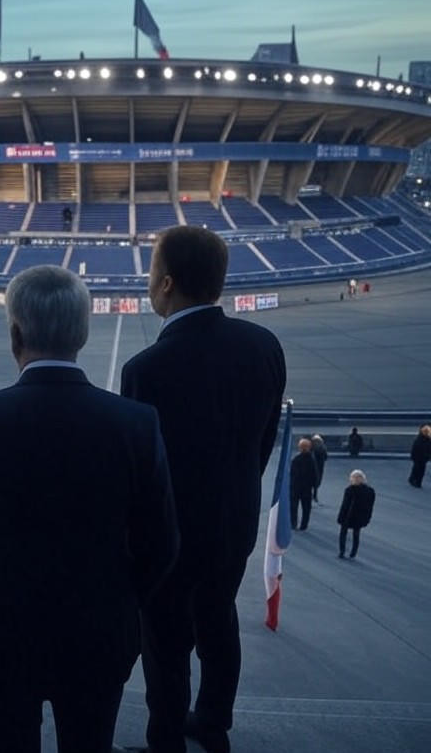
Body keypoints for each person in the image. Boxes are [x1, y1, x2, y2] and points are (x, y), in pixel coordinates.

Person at [0, 265, 178, 753]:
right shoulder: (136, 424)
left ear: (15, 332)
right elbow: (162, 544)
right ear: (83, 333)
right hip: (97, 637)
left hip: (1, 638)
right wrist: (120, 604)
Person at [120, 225, 286, 753]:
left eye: (150, 270)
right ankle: (213, 724)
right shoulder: (264, 346)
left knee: (164, 644)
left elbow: (142, 472)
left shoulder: (146, 369)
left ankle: (165, 739)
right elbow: (261, 443)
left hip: (171, 535)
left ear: (166, 284)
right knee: (219, 620)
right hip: (234, 520)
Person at [337, 469, 376, 558]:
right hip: (359, 517)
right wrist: (367, 517)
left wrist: (340, 517)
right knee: (356, 534)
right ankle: (353, 552)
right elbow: (370, 506)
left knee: (343, 533)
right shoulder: (369, 491)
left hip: (348, 516)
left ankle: (342, 551)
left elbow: (345, 505)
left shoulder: (349, 490)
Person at [290, 438, 318, 531]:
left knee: (294, 506)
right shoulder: (311, 460)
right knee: (306, 508)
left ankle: (293, 523)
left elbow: (292, 474)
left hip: (296, 487)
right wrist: (315, 488)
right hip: (306, 488)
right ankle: (304, 525)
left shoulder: (296, 459)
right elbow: (315, 475)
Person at [408, 424, 431, 488]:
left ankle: (417, 481)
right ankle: (414, 480)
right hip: (418, 457)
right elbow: (414, 449)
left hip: (423, 458)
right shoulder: (419, 440)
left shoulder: (428, 440)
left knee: (421, 470)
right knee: (417, 469)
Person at [310, 434, 328, 503]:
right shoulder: (323, 448)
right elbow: (326, 457)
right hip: (319, 466)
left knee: (313, 481)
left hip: (313, 466)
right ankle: (314, 495)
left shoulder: (311, 448)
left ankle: (313, 494)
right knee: (317, 480)